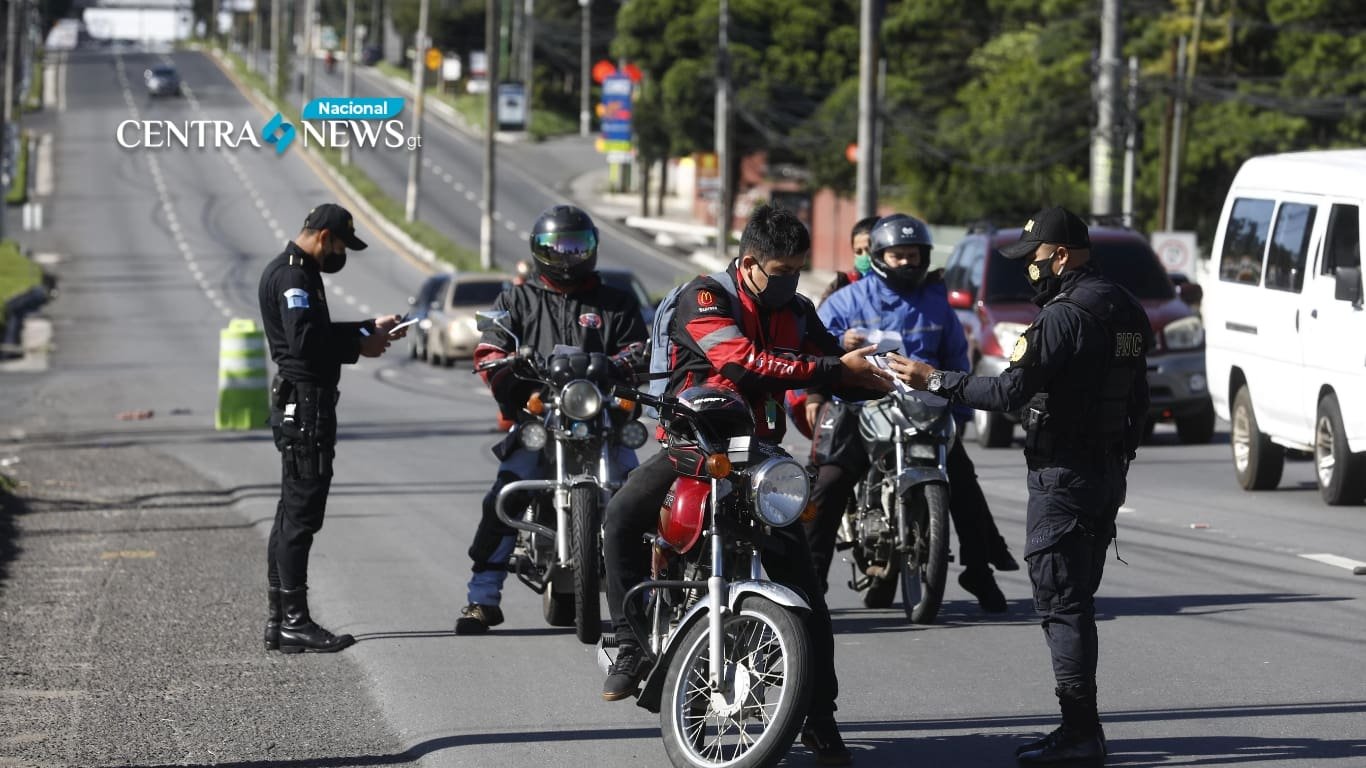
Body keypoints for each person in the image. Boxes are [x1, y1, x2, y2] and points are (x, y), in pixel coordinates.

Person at [600, 204, 893, 766]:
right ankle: (631, 646)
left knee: (806, 587)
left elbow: (829, 362)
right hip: (693, 442)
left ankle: (820, 715)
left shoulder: (800, 310)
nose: (789, 283)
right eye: (779, 272)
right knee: (622, 513)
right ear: (750, 262)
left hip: (756, 452)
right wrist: (833, 370)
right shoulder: (705, 298)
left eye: (796, 272)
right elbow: (739, 363)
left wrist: (880, 378)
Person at [888, 207, 1150, 766]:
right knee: (1075, 599)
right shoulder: (1123, 306)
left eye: (1034, 259)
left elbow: (1008, 393)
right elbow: (1138, 402)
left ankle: (1081, 731)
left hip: (1066, 476)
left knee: (1062, 601)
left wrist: (932, 378)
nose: (1029, 271)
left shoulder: (1062, 318)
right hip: (1104, 475)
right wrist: (1116, 462)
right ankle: (1082, 727)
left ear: (1059, 255)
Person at [805, 213, 1018, 610]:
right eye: (898, 255)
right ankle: (811, 574)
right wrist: (839, 343)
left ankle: (978, 570)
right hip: (862, 406)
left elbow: (956, 358)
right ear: (880, 256)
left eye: (913, 255)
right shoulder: (846, 300)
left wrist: (961, 411)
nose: (907, 263)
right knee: (830, 480)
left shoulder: (938, 304)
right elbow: (811, 349)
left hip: (924, 409)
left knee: (964, 483)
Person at [455, 205, 648, 635]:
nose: (567, 256)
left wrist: (622, 362)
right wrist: (512, 376)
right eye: (557, 247)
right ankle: (481, 597)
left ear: (593, 247)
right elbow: (491, 348)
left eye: (576, 246)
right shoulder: (516, 298)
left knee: (638, 496)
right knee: (506, 492)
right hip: (541, 418)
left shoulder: (615, 301)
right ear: (538, 249)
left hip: (604, 421)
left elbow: (641, 347)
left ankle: (648, 595)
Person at [258, 203, 406, 654]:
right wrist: (360, 345)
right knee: (301, 515)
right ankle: (294, 620)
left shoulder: (299, 271)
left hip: (307, 403)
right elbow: (303, 342)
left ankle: (279, 619)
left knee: (291, 512)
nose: (341, 255)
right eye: (340, 245)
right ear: (324, 236)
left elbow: (313, 330)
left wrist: (366, 327)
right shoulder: (292, 276)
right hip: (305, 406)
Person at [787, 215, 881, 439]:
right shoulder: (841, 289)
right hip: (845, 395)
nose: (864, 258)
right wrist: (815, 395)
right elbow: (814, 342)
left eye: (870, 249)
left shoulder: (916, 290)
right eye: (858, 252)